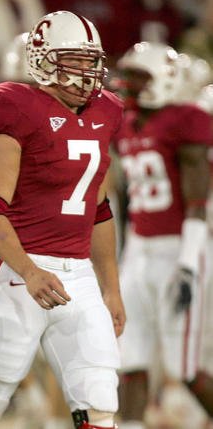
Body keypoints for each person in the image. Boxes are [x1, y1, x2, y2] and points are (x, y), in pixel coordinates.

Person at [0, 10, 126, 429]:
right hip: (17, 274)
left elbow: (99, 211)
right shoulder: (16, 107)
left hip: (78, 274)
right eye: (75, 59)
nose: (87, 71)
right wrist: (29, 272)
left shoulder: (104, 112)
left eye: (91, 60)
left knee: (100, 398)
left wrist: (111, 287)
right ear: (43, 59)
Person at [113, 41, 213, 429]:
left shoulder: (186, 119)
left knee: (183, 367)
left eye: (139, 77)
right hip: (140, 249)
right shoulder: (128, 122)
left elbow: (196, 202)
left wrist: (188, 264)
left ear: (166, 79)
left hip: (178, 250)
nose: (129, 85)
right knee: (131, 358)